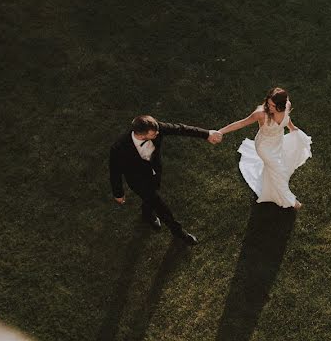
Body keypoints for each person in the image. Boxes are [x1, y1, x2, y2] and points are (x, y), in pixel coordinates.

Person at [109, 115, 223, 245]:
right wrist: (118, 193)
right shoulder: (119, 148)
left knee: (150, 199)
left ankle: (147, 214)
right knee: (160, 206)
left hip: (155, 172)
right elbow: (115, 172)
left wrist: (207, 134)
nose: (158, 133)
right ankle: (178, 232)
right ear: (141, 136)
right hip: (138, 181)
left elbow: (181, 129)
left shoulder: (155, 128)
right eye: (154, 134)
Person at [218, 87, 311, 209]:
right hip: (264, 147)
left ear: (281, 105)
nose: (269, 107)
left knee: (275, 168)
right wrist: (220, 132)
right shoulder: (261, 113)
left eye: (273, 106)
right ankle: (292, 201)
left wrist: (292, 128)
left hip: (278, 142)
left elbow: (287, 118)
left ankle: (270, 185)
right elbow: (241, 123)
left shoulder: (287, 105)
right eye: (268, 104)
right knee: (279, 171)